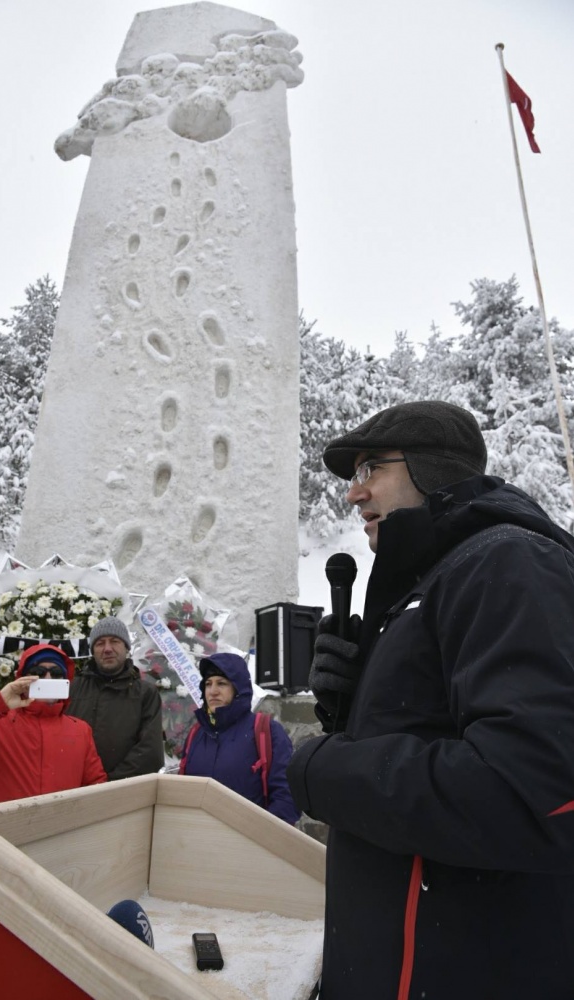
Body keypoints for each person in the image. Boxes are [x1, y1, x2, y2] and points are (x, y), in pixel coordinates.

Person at [287, 400, 574, 1000]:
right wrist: (352, 709)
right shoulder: (433, 582)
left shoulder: (507, 562)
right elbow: (434, 740)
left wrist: (325, 769)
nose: (354, 493)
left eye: (370, 469)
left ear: (432, 467)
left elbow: (533, 793)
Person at [0, 644, 107, 806]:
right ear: (23, 679)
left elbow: (96, 786)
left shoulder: (80, 730)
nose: (47, 678)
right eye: (38, 672)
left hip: (61, 827)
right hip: (6, 828)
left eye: (56, 673)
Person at [181, 652, 300, 824]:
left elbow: (286, 797)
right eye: (208, 684)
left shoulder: (266, 731)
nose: (213, 691)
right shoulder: (196, 733)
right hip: (197, 835)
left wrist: (259, 834)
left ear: (238, 688)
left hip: (248, 837)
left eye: (222, 683)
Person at [65, 617, 164, 779]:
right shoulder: (72, 688)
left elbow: (150, 752)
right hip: (73, 786)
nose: (107, 649)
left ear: (126, 647)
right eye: (100, 643)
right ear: (92, 651)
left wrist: (109, 784)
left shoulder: (145, 694)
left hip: (122, 790)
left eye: (114, 641)